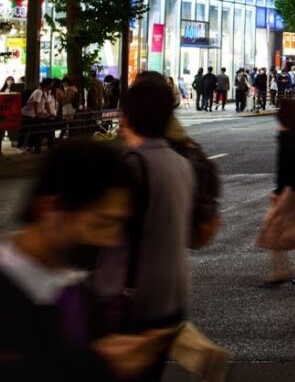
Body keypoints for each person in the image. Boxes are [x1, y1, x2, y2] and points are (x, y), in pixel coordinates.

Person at [0, 141, 175, 381]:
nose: (112, 240)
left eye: (119, 224)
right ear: (50, 208)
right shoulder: (8, 294)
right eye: (101, 223)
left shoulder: (73, 287)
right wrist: (99, 366)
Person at [92, 72, 195, 382]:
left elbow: (106, 234)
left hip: (131, 304)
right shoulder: (182, 164)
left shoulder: (134, 166)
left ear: (128, 117)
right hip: (171, 299)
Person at [256, 99, 295, 286]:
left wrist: (277, 191)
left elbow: (284, 167)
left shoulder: (288, 137)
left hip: (293, 190)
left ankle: (280, 270)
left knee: (273, 227)